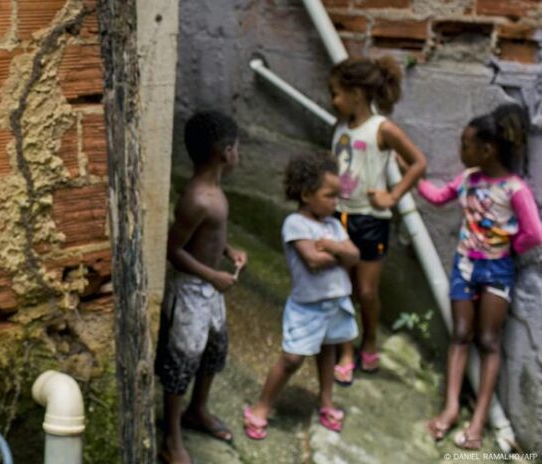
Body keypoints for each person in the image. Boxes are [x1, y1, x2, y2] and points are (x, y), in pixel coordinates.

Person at [420, 104, 542, 450]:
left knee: (488, 341)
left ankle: (478, 422)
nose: (461, 151)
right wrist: (414, 178)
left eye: (466, 144)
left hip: (496, 270)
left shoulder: (513, 188)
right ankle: (450, 408)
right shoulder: (467, 179)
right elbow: (439, 196)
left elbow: (534, 232)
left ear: (487, 149)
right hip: (463, 266)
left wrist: (508, 246)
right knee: (460, 334)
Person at [243, 152, 360, 440]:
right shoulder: (295, 224)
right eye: (330, 195)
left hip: (335, 302)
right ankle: (261, 407)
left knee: (328, 351)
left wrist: (332, 248)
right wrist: (339, 252)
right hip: (307, 307)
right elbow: (312, 260)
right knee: (292, 358)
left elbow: (355, 256)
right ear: (307, 194)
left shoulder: (332, 226)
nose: (336, 202)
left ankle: (326, 402)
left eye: (337, 196)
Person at [327, 57, 426, 384]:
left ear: (356, 93)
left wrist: (393, 196)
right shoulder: (340, 126)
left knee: (366, 292)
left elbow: (418, 162)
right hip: (340, 217)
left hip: (371, 220)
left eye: (337, 93)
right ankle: (345, 350)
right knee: (342, 289)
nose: (333, 100)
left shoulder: (382, 128)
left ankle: (369, 341)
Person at [156, 110, 247, 463]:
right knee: (182, 364)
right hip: (192, 292)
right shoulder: (197, 199)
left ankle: (198, 410)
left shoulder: (214, 191)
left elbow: (208, 236)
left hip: (210, 293)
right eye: (237, 148)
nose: (239, 155)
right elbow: (172, 249)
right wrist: (213, 276)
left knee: (213, 351)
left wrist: (228, 250)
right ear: (225, 152)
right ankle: (171, 439)